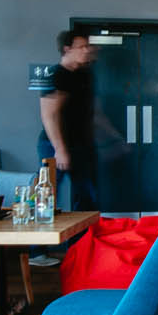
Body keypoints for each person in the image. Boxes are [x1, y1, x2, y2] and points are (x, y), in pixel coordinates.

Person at [33, 29, 99, 268]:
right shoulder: (56, 75)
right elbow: (48, 115)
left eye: (88, 46)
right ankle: (36, 252)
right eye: (82, 47)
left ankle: (79, 250)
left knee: (87, 196)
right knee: (46, 196)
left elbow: (94, 113)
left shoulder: (84, 75)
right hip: (53, 144)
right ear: (66, 49)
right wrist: (60, 150)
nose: (87, 50)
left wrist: (114, 138)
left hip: (81, 144)